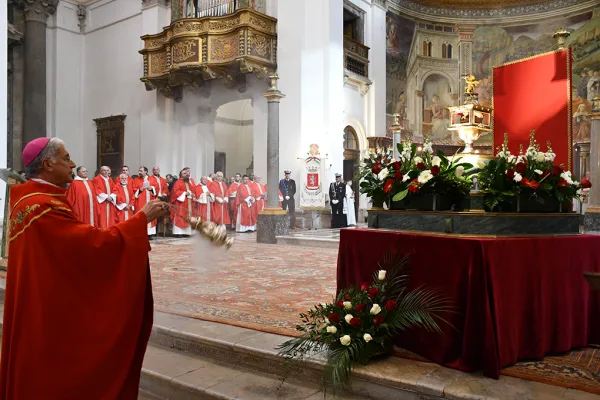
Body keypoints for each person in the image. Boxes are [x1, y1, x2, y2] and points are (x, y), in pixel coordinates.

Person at [0, 137, 168, 399]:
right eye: (66, 158)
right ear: (47, 164)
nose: (74, 164)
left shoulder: (32, 199)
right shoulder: (42, 206)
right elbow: (91, 246)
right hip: (48, 311)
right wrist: (140, 219)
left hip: (42, 301)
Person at [170, 167, 197, 236]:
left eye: (186, 173)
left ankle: (186, 232)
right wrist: (184, 193)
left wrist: (192, 194)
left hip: (188, 203)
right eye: (184, 173)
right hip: (180, 203)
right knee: (180, 216)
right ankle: (178, 233)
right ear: (181, 175)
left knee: (188, 216)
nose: (186, 175)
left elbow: (193, 190)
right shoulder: (178, 182)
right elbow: (175, 192)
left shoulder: (188, 182)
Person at [133, 166, 159, 237]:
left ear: (146, 171)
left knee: (150, 214)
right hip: (140, 202)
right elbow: (133, 189)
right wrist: (139, 190)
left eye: (141, 171)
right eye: (139, 171)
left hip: (150, 201)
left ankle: (149, 234)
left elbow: (157, 188)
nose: (139, 172)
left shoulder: (152, 179)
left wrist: (151, 188)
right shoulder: (136, 180)